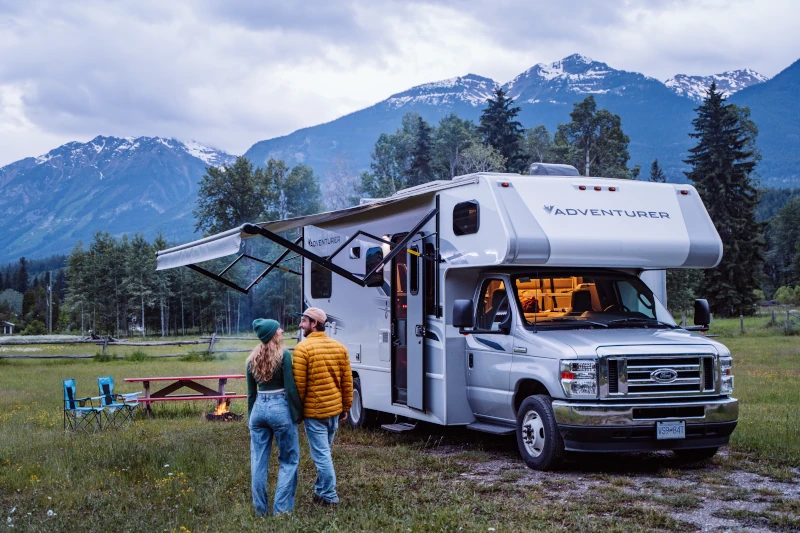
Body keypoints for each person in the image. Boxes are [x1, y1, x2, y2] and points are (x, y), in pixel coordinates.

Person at [292, 307, 353, 506]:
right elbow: (347, 382)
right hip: (334, 411)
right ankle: (319, 491)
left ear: (314, 323)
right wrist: (346, 407)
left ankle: (330, 496)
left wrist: (297, 412)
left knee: (322, 455)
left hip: (315, 413)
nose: (300, 325)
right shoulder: (339, 347)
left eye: (303, 321)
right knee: (324, 452)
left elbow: (299, 386)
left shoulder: (303, 349)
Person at [247, 318, 303, 516]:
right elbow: (290, 388)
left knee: (258, 462)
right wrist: (298, 413)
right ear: (272, 334)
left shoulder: (251, 359)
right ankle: (281, 510)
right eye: (278, 328)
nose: (281, 330)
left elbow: (251, 394)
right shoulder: (284, 355)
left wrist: (250, 419)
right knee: (288, 460)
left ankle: (260, 511)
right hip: (280, 408)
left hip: (258, 411)